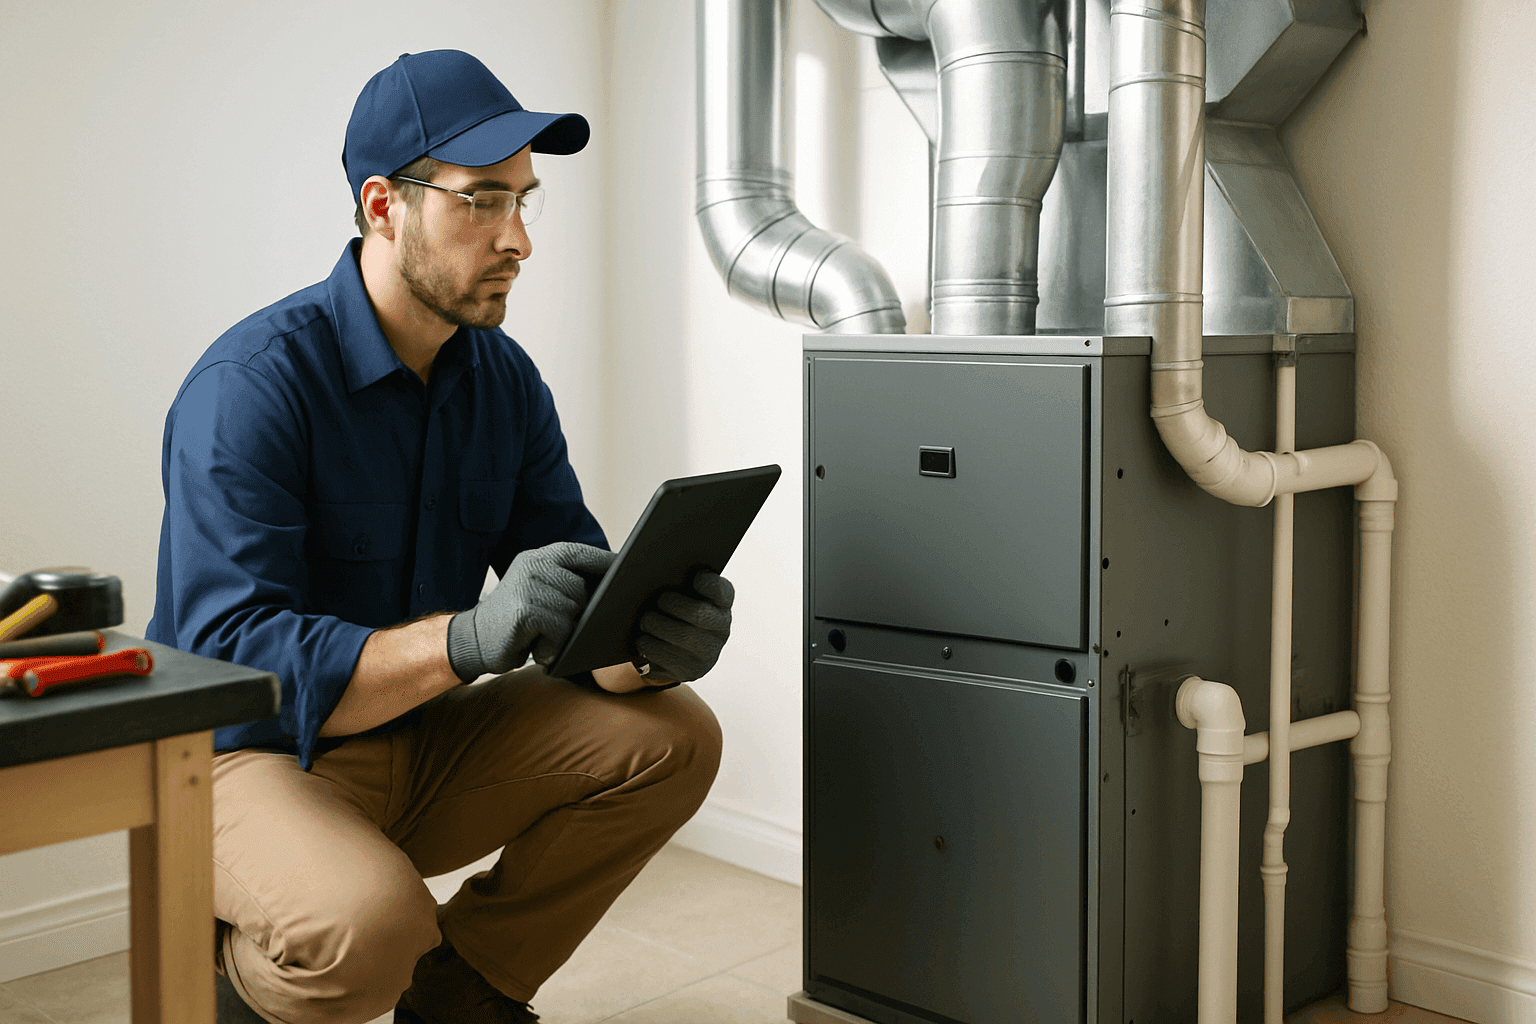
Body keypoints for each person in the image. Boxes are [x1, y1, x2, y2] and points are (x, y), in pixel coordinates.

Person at [146, 49, 731, 1024]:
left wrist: (650, 646)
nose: (518, 241)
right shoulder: (251, 385)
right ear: (383, 205)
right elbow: (228, 658)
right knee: (370, 927)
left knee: (675, 736)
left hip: (420, 738)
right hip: (246, 759)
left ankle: (466, 994)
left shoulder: (503, 382)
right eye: (481, 202)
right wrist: (464, 637)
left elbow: (574, 605)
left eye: (524, 202)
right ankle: (237, 988)